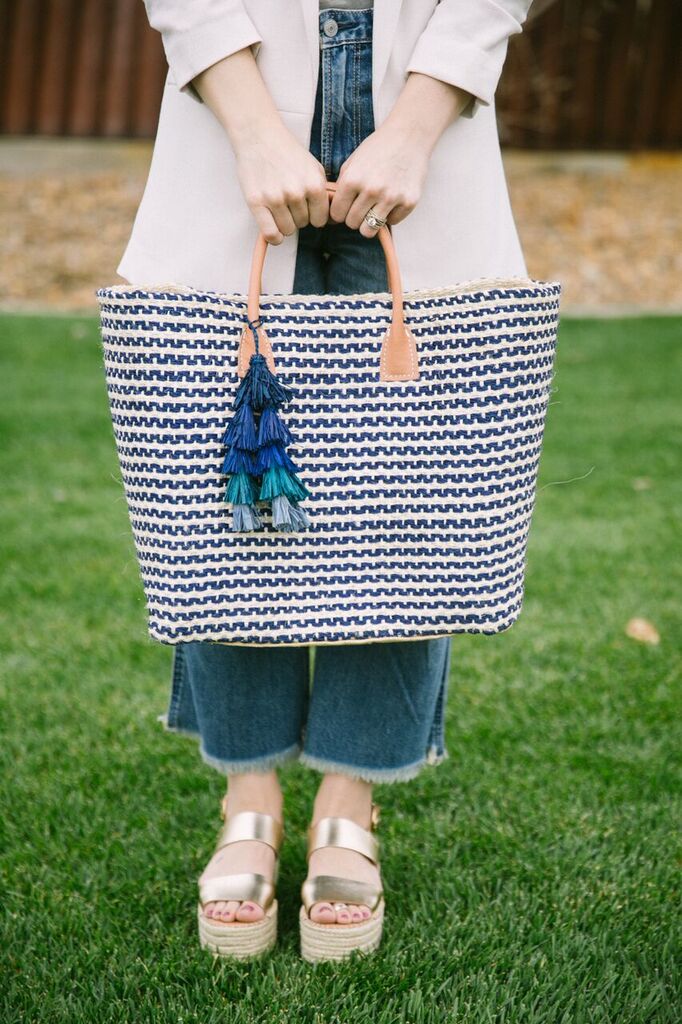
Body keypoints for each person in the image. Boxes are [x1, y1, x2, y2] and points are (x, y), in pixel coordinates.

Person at [117, 0, 533, 962]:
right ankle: (249, 795)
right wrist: (258, 132)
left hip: (429, 119)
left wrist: (423, 118)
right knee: (220, 488)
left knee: (411, 492)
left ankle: (350, 796)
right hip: (234, 112)